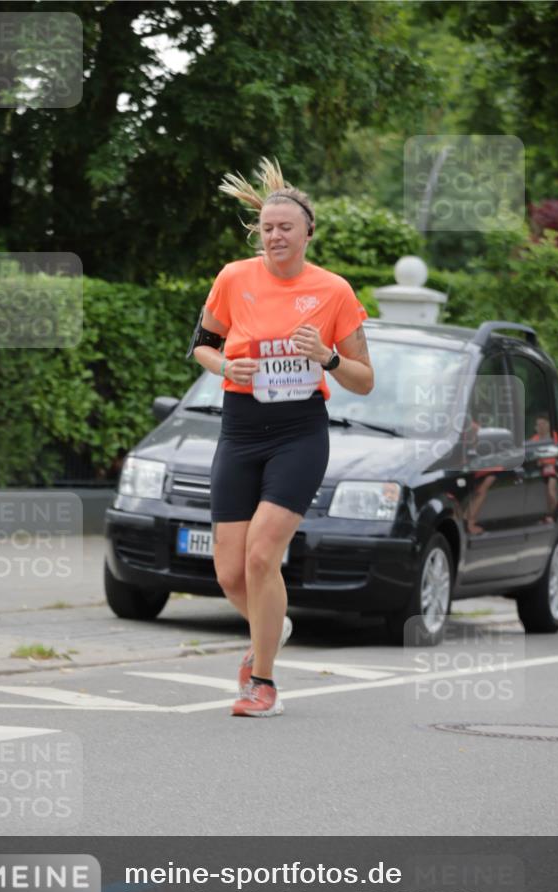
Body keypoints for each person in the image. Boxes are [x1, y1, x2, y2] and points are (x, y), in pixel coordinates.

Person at [190, 157, 374, 717]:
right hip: (241, 428)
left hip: (299, 433)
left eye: (285, 227)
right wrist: (225, 368)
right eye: (267, 228)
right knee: (229, 569)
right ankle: (273, 625)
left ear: (307, 232)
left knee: (263, 554)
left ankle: (262, 682)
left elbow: (364, 380)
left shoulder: (334, 291)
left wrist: (329, 356)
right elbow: (201, 345)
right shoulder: (233, 277)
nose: (275, 235)